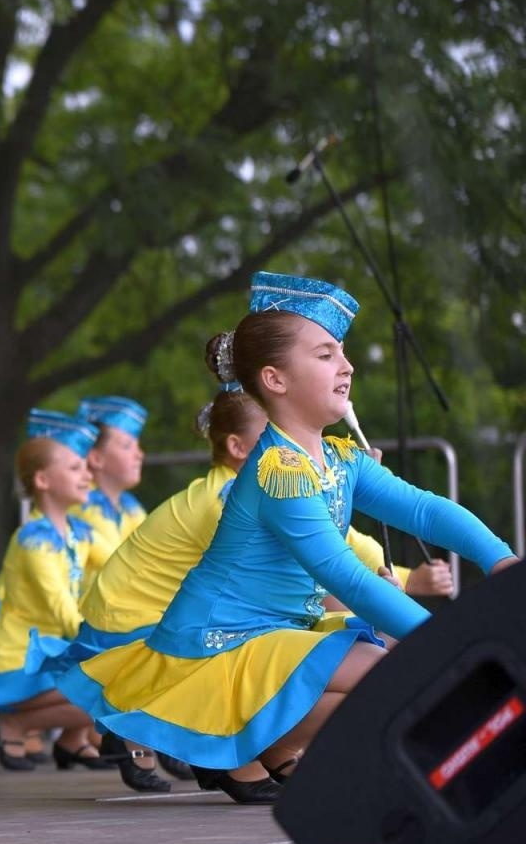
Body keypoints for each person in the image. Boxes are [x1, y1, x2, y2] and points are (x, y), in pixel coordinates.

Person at [59, 271, 517, 792]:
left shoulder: (341, 459)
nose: (346, 366)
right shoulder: (279, 471)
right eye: (324, 355)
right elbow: (342, 573)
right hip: (220, 641)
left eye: (342, 353)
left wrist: (499, 560)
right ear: (275, 380)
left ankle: (269, 747)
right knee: (379, 663)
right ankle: (249, 747)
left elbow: (424, 511)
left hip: (271, 632)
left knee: (385, 642)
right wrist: (445, 643)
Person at [0, 434, 112, 774]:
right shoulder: (33, 541)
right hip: (18, 659)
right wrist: (111, 644)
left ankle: (71, 739)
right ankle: (15, 725)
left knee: (113, 675)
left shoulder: (78, 533)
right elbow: (61, 609)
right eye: (74, 468)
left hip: (47, 653)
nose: (87, 474)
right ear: (42, 480)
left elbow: (122, 566)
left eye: (86, 467)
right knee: (112, 685)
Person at [75, 396, 148, 573]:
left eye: (137, 446)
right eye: (127, 446)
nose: (139, 455)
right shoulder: (84, 506)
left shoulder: (128, 506)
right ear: (95, 458)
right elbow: (124, 571)